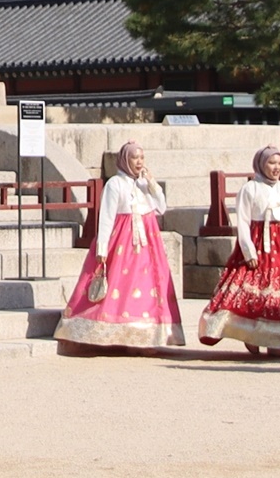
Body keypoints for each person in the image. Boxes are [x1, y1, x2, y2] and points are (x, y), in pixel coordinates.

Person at [55, 140, 185, 353]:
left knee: (147, 288)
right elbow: (106, 216)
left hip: (148, 245)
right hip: (123, 243)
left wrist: (152, 184)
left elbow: (161, 208)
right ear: (125, 160)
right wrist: (102, 247)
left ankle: (146, 337)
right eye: (135, 157)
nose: (139, 162)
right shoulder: (115, 184)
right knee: (121, 286)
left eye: (141, 157)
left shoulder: (143, 184)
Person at [200, 144, 280, 354]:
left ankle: (276, 342)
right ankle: (250, 334)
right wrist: (248, 251)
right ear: (261, 164)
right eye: (271, 162)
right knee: (253, 290)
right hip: (259, 243)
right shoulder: (250, 189)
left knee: (278, 294)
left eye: (279, 163)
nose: (276, 167)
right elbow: (243, 221)